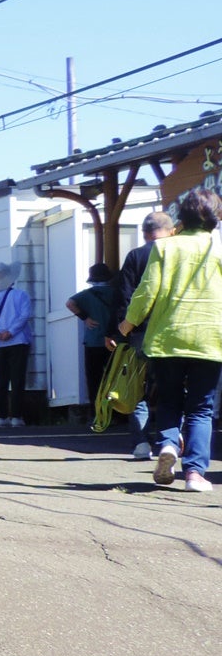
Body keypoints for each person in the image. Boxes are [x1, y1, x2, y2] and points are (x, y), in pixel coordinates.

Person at [117, 188, 222, 493]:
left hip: (167, 338)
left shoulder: (164, 248)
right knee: (201, 408)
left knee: (169, 400)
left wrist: (128, 323)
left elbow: (146, 292)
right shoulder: (218, 248)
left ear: (182, 216)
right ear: (216, 216)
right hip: (210, 339)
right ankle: (195, 475)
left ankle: (167, 445)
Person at [107, 210, 175, 458]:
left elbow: (124, 296)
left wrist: (118, 331)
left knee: (138, 389)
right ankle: (171, 440)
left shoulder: (135, 256)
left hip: (140, 332)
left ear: (145, 233)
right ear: (172, 231)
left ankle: (141, 444)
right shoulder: (178, 253)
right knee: (172, 387)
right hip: (173, 331)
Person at [66, 262, 120, 424]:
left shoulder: (87, 294)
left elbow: (69, 303)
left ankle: (97, 414)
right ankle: (117, 414)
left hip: (93, 341)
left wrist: (85, 318)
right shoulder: (117, 293)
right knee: (115, 378)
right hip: (115, 341)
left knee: (94, 379)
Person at [0, 262, 33, 428]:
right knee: (17, 380)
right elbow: (25, 315)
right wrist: (10, 332)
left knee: (1, 380)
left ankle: (0, 417)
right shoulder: (21, 295)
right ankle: (17, 416)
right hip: (19, 341)